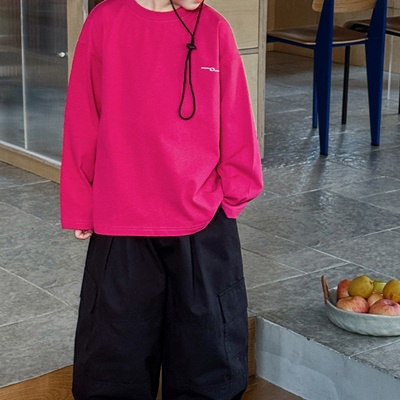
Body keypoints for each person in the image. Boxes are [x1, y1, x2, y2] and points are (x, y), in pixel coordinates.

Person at [60, 0, 263, 398]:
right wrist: (81, 202)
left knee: (209, 364)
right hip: (121, 222)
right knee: (112, 366)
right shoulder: (105, 21)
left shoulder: (214, 28)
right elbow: (83, 114)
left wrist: (235, 194)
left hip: (203, 221)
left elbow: (236, 115)